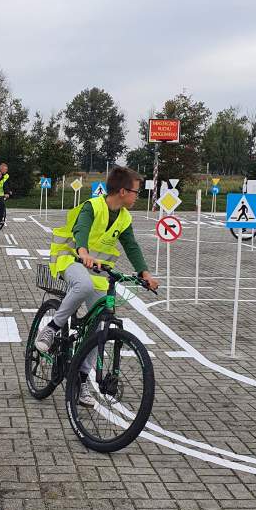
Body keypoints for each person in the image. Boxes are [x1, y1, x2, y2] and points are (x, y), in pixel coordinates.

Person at [34, 166, 159, 406]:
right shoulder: (93, 206)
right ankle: (51, 328)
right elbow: (81, 229)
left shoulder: (124, 217)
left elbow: (131, 245)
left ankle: (80, 381)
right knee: (81, 285)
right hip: (71, 260)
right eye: (136, 192)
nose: (137, 196)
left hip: (98, 272)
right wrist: (83, 252)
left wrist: (145, 274)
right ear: (122, 191)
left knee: (100, 324)